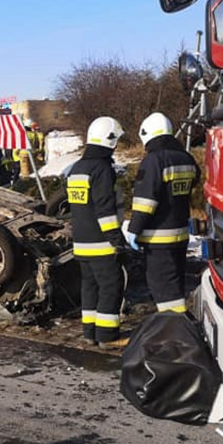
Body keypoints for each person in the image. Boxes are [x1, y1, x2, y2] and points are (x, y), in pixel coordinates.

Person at [127, 112, 200, 313]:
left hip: (158, 238)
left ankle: (174, 331)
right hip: (181, 233)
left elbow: (145, 202)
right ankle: (177, 323)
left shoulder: (153, 161)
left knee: (164, 287)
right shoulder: (186, 157)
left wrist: (134, 229)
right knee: (175, 281)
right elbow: (195, 181)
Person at [68, 117, 128, 349]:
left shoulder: (77, 168)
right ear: (110, 139)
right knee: (111, 285)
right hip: (101, 243)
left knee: (90, 287)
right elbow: (104, 210)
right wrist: (117, 240)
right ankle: (107, 337)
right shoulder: (102, 169)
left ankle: (90, 333)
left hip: (81, 243)